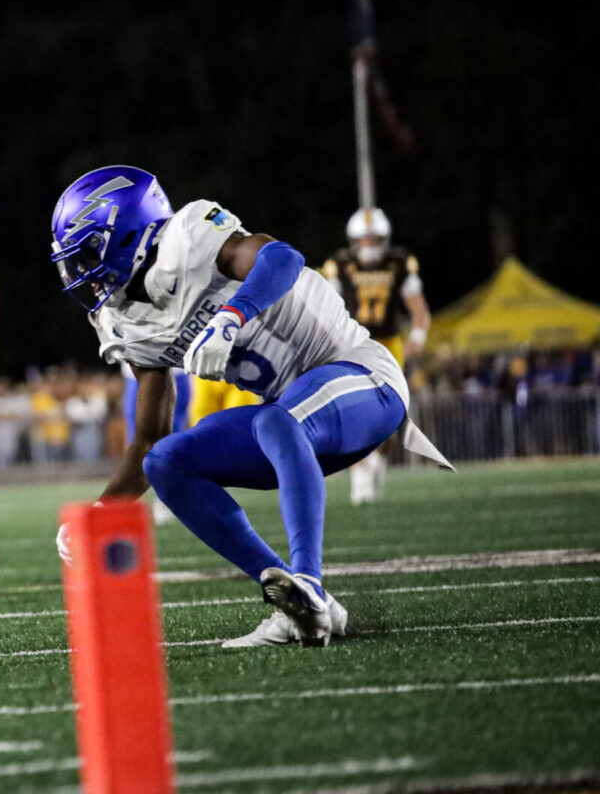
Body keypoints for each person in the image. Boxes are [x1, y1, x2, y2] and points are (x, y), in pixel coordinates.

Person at [47, 166, 448, 647]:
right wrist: (98, 513)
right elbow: (149, 438)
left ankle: (311, 584)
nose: (81, 272)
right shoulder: (123, 321)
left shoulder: (191, 235)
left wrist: (232, 316)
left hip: (363, 380)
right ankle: (293, 598)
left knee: (280, 419)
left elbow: (282, 257)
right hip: (293, 428)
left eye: (90, 251)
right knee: (167, 462)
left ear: (129, 231)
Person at [322, 207, 430, 504]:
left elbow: (418, 307)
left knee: (389, 416)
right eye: (365, 239)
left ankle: (377, 460)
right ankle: (359, 474)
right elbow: (327, 306)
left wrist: (418, 337)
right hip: (354, 341)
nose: (370, 245)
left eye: (375, 239)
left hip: (390, 344)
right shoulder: (339, 265)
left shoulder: (399, 263)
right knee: (355, 410)